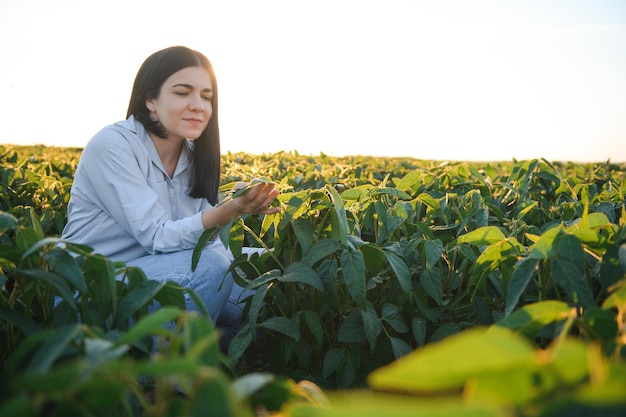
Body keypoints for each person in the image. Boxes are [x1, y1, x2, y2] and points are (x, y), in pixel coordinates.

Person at [61, 45, 280, 347]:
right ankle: (166, 384)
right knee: (211, 269)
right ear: (150, 99)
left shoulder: (192, 156)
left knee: (267, 269)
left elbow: (205, 242)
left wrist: (240, 204)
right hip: (94, 292)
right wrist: (231, 209)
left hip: (162, 276)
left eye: (206, 96)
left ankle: (203, 344)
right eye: (182, 93)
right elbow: (158, 237)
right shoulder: (113, 145)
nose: (198, 105)